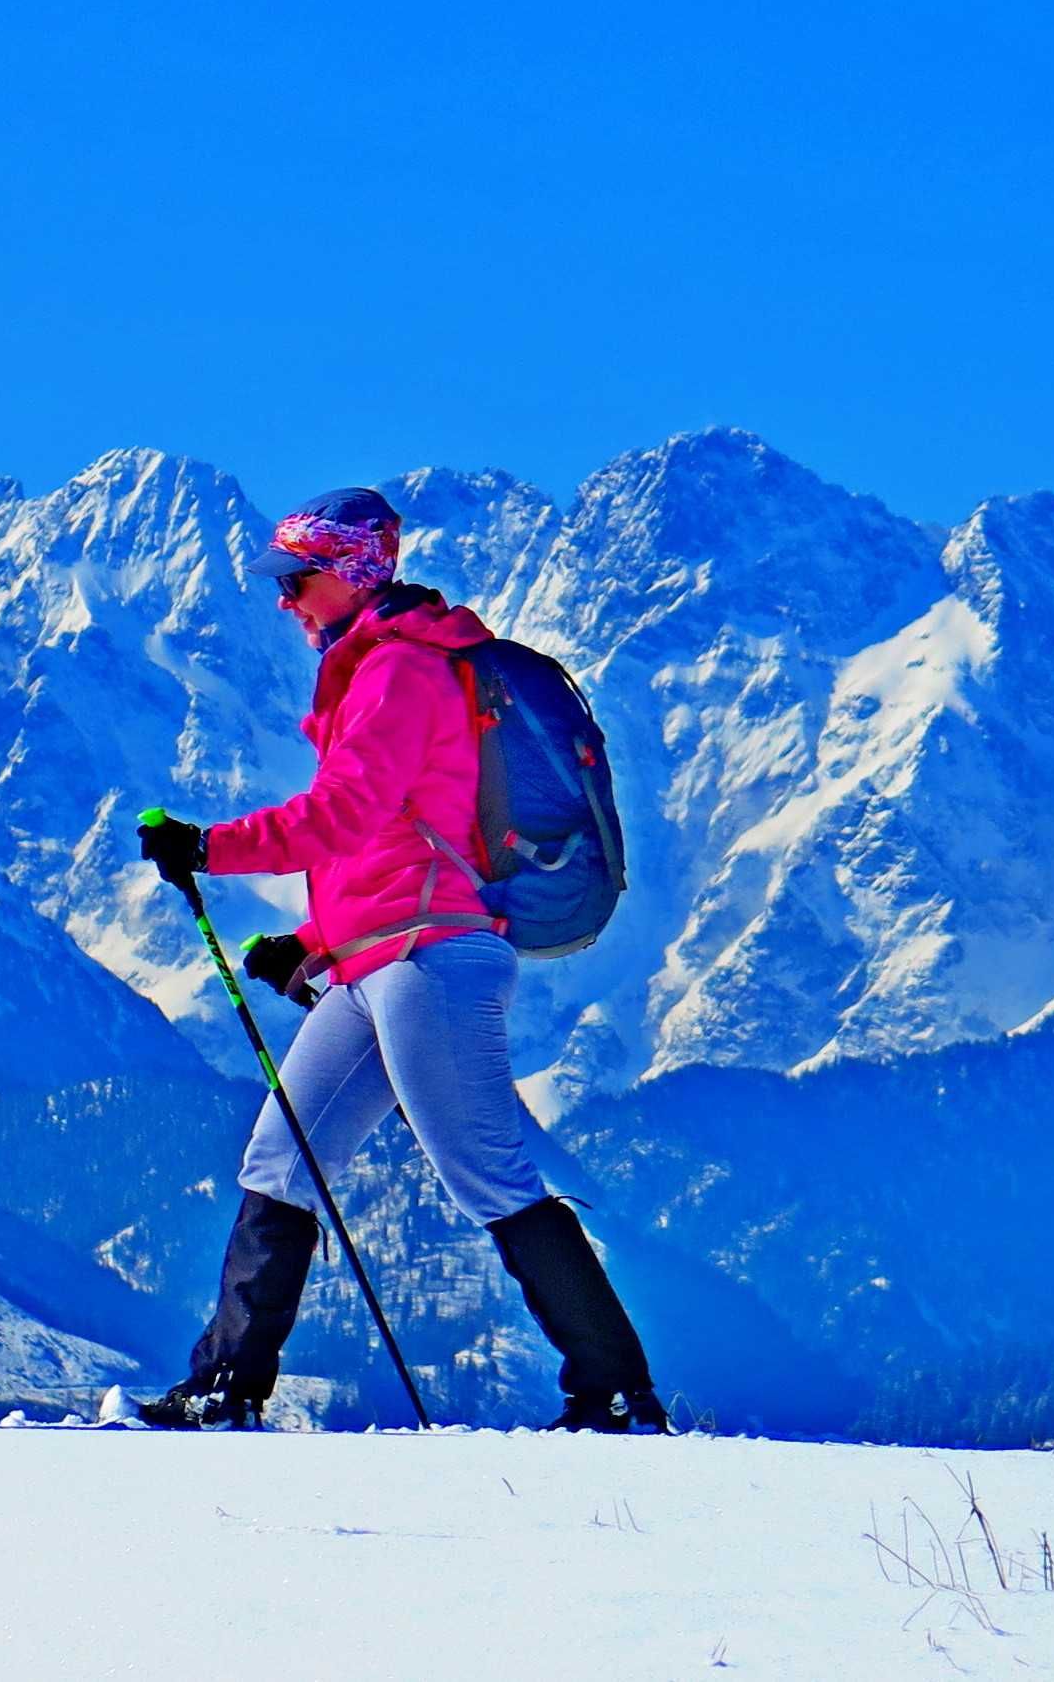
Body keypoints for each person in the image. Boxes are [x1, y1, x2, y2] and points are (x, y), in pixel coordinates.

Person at [132, 488, 664, 1431]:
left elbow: (340, 816)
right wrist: (313, 945)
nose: (284, 601)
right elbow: (393, 842)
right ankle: (228, 1384)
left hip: (431, 963)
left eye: (296, 581)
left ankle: (615, 1393)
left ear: (348, 575)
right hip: (379, 957)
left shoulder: (401, 673)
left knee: (487, 1172)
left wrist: (208, 847)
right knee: (281, 1158)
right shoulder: (375, 670)